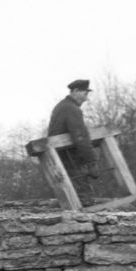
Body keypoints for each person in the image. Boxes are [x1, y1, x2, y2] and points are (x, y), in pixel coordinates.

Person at [48, 79, 99, 207]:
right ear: (75, 91)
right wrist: (91, 161)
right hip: (71, 158)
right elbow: (80, 136)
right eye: (85, 94)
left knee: (71, 196)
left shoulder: (62, 106)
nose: (86, 99)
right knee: (85, 200)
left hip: (63, 156)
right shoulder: (71, 109)